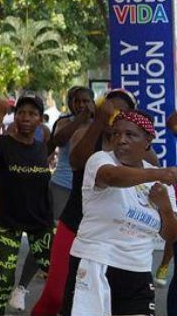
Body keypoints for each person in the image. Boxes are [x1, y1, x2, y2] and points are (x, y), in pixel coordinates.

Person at [31, 90, 141, 316]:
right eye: (109, 108)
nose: (113, 114)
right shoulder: (85, 133)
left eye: (120, 111)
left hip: (113, 236)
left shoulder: (138, 147)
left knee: (98, 301)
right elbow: (76, 160)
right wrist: (99, 121)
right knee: (54, 297)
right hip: (74, 225)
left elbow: (152, 165)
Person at [60, 109, 177, 314]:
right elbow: (112, 177)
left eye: (130, 135)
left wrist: (165, 207)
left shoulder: (161, 185)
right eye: (116, 134)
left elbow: (171, 235)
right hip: (95, 264)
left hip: (138, 272)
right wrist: (156, 174)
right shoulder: (101, 160)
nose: (121, 140)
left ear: (148, 141)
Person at [0, 95, 53, 315]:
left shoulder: (42, 148)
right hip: (8, 221)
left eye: (32, 114)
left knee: (57, 272)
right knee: (3, 278)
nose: (26, 118)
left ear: (40, 120)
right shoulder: (3, 143)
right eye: (22, 113)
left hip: (39, 221)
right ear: (15, 117)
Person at [47, 87, 94, 222]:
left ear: (93, 102)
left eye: (85, 101)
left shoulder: (98, 123)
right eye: (77, 101)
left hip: (88, 187)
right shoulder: (64, 122)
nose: (80, 105)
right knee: (59, 227)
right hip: (63, 184)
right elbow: (59, 141)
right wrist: (80, 119)